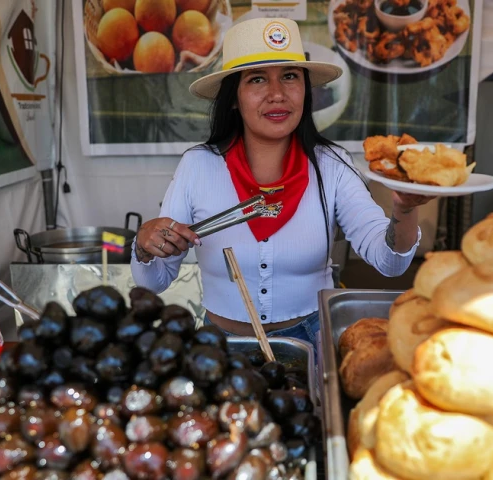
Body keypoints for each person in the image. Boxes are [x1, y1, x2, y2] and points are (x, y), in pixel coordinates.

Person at [131, 18, 433, 348]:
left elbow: (390, 262)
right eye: (257, 79)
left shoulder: (331, 165)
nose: (277, 94)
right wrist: (145, 246)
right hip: (219, 347)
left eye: (289, 77)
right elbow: (155, 281)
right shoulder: (198, 166)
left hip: (309, 342)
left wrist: (404, 208)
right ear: (234, 97)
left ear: (306, 89)